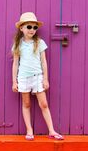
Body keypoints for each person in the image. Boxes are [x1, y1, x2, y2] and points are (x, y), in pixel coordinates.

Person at [11, 12, 64, 141]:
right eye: (29, 27)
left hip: (37, 77)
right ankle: (29, 130)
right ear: (21, 28)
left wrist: (45, 79)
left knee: (44, 104)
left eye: (35, 27)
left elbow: (43, 62)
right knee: (26, 104)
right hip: (23, 78)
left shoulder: (39, 43)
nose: (32, 30)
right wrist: (14, 81)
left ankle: (51, 130)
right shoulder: (18, 44)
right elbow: (15, 64)